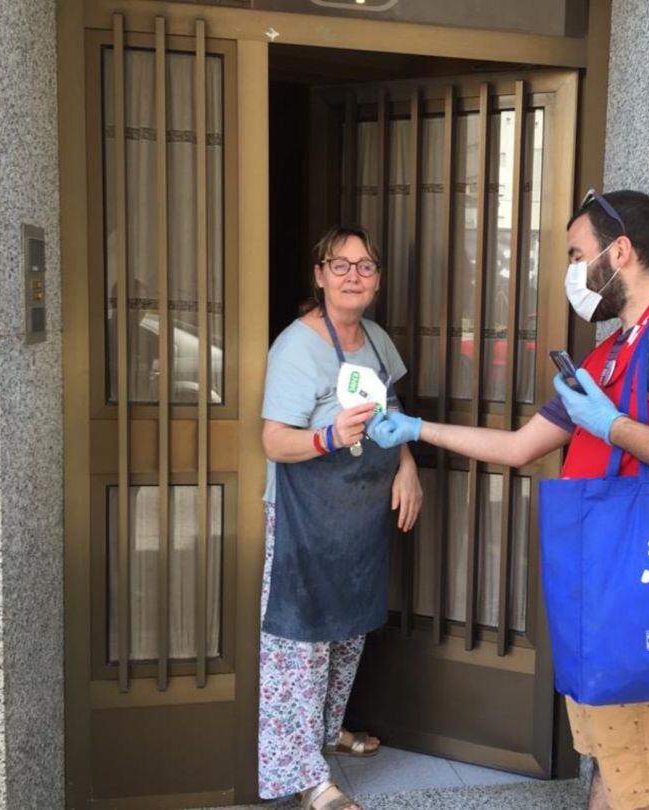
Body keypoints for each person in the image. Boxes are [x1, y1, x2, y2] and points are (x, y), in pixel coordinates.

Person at [367, 190, 649, 810]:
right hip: (601, 593)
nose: (572, 271)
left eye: (577, 253)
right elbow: (520, 446)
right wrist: (414, 430)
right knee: (614, 768)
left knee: (646, 785)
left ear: (619, 252)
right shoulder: (612, 349)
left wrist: (612, 425)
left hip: (644, 596)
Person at [259, 226, 423, 810]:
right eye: (341, 264)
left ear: (377, 279)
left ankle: (328, 734)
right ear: (320, 274)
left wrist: (406, 467)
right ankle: (306, 777)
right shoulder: (295, 346)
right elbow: (275, 441)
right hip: (307, 517)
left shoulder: (375, 340)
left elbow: (394, 411)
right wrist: (329, 435)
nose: (354, 275)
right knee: (300, 641)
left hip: (358, 515)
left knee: (346, 633)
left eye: (366, 266)